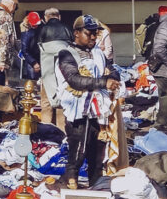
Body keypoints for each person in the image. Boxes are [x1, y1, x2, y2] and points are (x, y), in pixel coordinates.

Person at [41, 19, 113, 186]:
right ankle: (70, 180)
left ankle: (96, 183)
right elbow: (74, 79)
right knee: (79, 148)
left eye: (96, 33)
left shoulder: (98, 53)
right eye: (89, 33)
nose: (94, 37)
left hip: (97, 109)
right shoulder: (66, 54)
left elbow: (113, 70)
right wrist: (103, 82)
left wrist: (112, 78)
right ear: (77, 33)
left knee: (97, 152)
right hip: (77, 110)